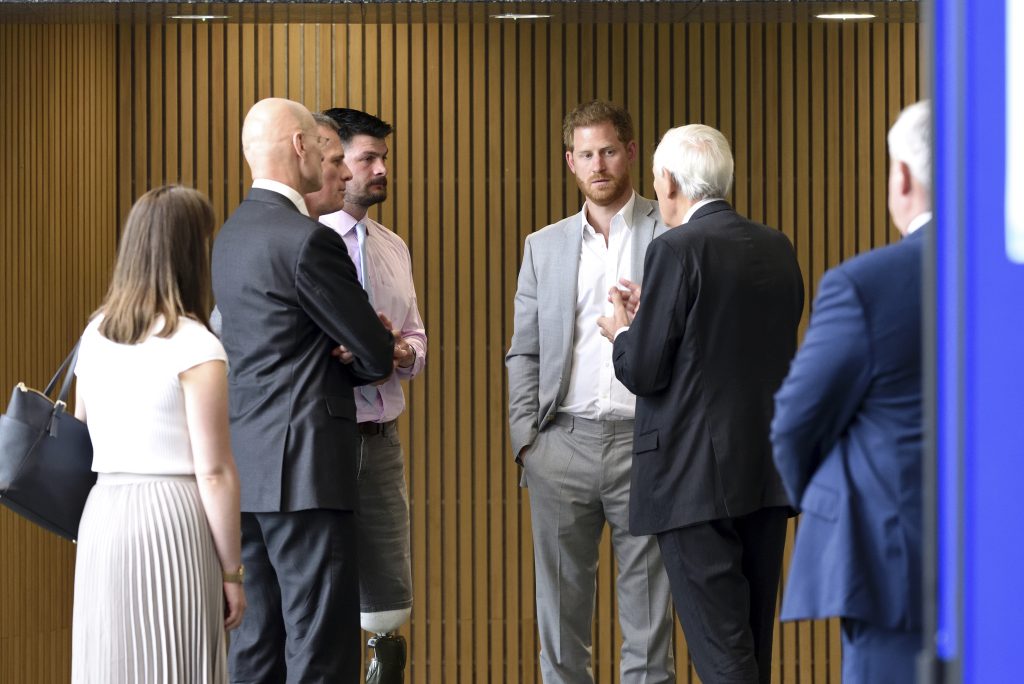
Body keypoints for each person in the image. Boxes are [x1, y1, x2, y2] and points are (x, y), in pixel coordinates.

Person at [598, 124, 804, 684]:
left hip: (694, 482)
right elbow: (731, 343)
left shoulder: (674, 247)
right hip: (764, 475)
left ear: (667, 182)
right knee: (752, 649)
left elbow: (644, 369)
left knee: (722, 655)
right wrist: (659, 313)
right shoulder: (776, 246)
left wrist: (622, 332)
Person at [211, 97, 395, 683]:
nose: (330, 163)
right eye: (324, 149)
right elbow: (373, 351)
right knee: (321, 650)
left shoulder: (230, 235)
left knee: (257, 648)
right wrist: (356, 352)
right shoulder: (310, 241)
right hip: (309, 474)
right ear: (299, 148)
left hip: (248, 473)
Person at [506, 100, 675, 684]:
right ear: (570, 162)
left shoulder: (671, 233)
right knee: (560, 629)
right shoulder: (543, 246)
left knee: (650, 628)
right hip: (562, 445)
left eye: (608, 150)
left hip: (646, 444)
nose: (598, 164)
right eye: (585, 154)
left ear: (631, 153)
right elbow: (523, 350)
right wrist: (527, 441)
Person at [770, 101, 931, 684]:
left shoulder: (867, 285)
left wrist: (837, 500)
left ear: (904, 177)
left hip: (896, 568)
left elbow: (794, 424)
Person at [71, 184, 245, 683]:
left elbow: (81, 430)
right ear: (195, 251)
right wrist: (233, 573)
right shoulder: (196, 346)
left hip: (104, 516)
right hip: (172, 520)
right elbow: (213, 472)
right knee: (176, 664)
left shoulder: (97, 333)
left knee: (111, 663)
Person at [319, 107, 427, 684]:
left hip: (381, 441)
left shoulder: (393, 246)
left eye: (384, 157)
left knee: (389, 602)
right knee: (324, 594)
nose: (382, 168)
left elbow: (415, 338)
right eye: (368, 158)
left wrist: (397, 351)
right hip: (323, 438)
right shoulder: (307, 242)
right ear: (333, 163)